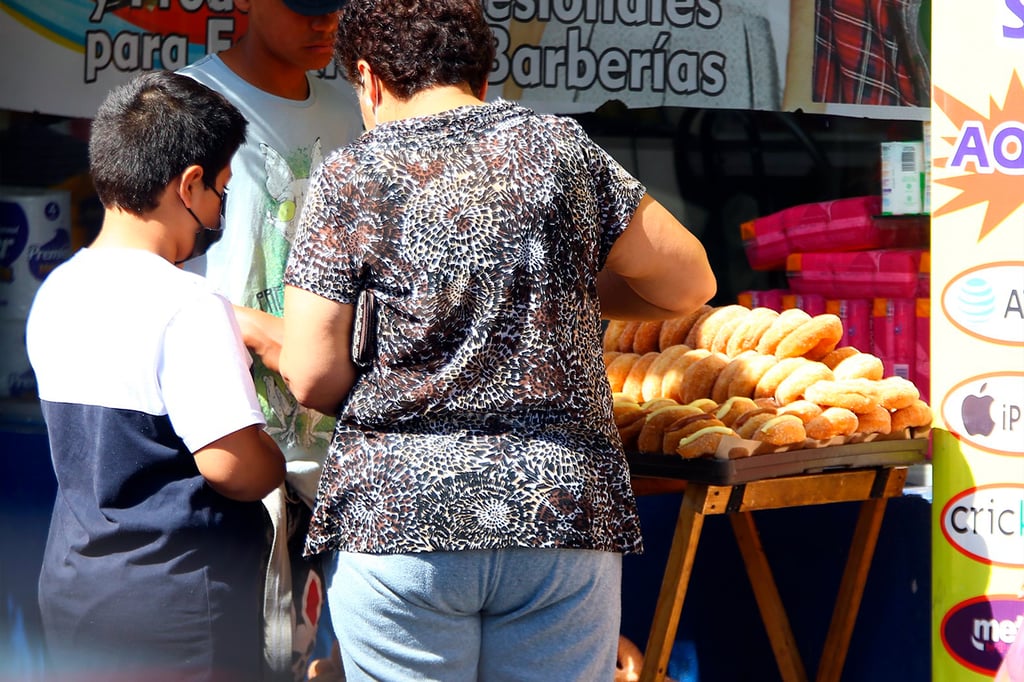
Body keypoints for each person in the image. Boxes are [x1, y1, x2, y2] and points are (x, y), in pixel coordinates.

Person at [274, 1, 717, 679]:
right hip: (558, 511)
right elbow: (690, 281)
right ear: (482, 75)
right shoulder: (557, 149)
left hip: (402, 518)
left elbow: (311, 374)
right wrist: (565, 290)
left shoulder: (350, 176)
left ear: (367, 80)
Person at [25, 70, 286, 681]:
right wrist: (276, 459)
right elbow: (233, 467)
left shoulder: (57, 289)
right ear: (189, 185)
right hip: (177, 606)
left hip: (74, 587)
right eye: (222, 192)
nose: (220, 211)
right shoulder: (187, 306)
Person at [178, 1, 363, 678]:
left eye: (335, 6)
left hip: (347, 467)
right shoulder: (182, 105)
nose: (323, 22)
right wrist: (255, 328)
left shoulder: (357, 112)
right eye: (303, 4)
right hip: (230, 454)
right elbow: (138, 281)